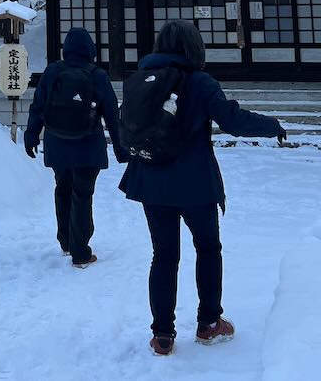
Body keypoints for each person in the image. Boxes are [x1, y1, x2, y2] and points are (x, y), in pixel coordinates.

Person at [119, 19, 286, 357]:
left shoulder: (141, 80)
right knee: (208, 248)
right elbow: (233, 121)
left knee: (163, 254)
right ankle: (209, 322)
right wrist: (272, 126)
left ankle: (162, 334)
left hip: (151, 179)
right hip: (195, 182)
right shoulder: (200, 82)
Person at [24, 26, 125, 268]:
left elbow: (38, 106)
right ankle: (81, 251)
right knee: (82, 193)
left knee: (63, 188)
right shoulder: (96, 75)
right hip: (88, 145)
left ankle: (66, 241)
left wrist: (31, 135)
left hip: (57, 143)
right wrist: (121, 148)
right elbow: (112, 114)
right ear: (91, 49)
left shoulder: (52, 72)